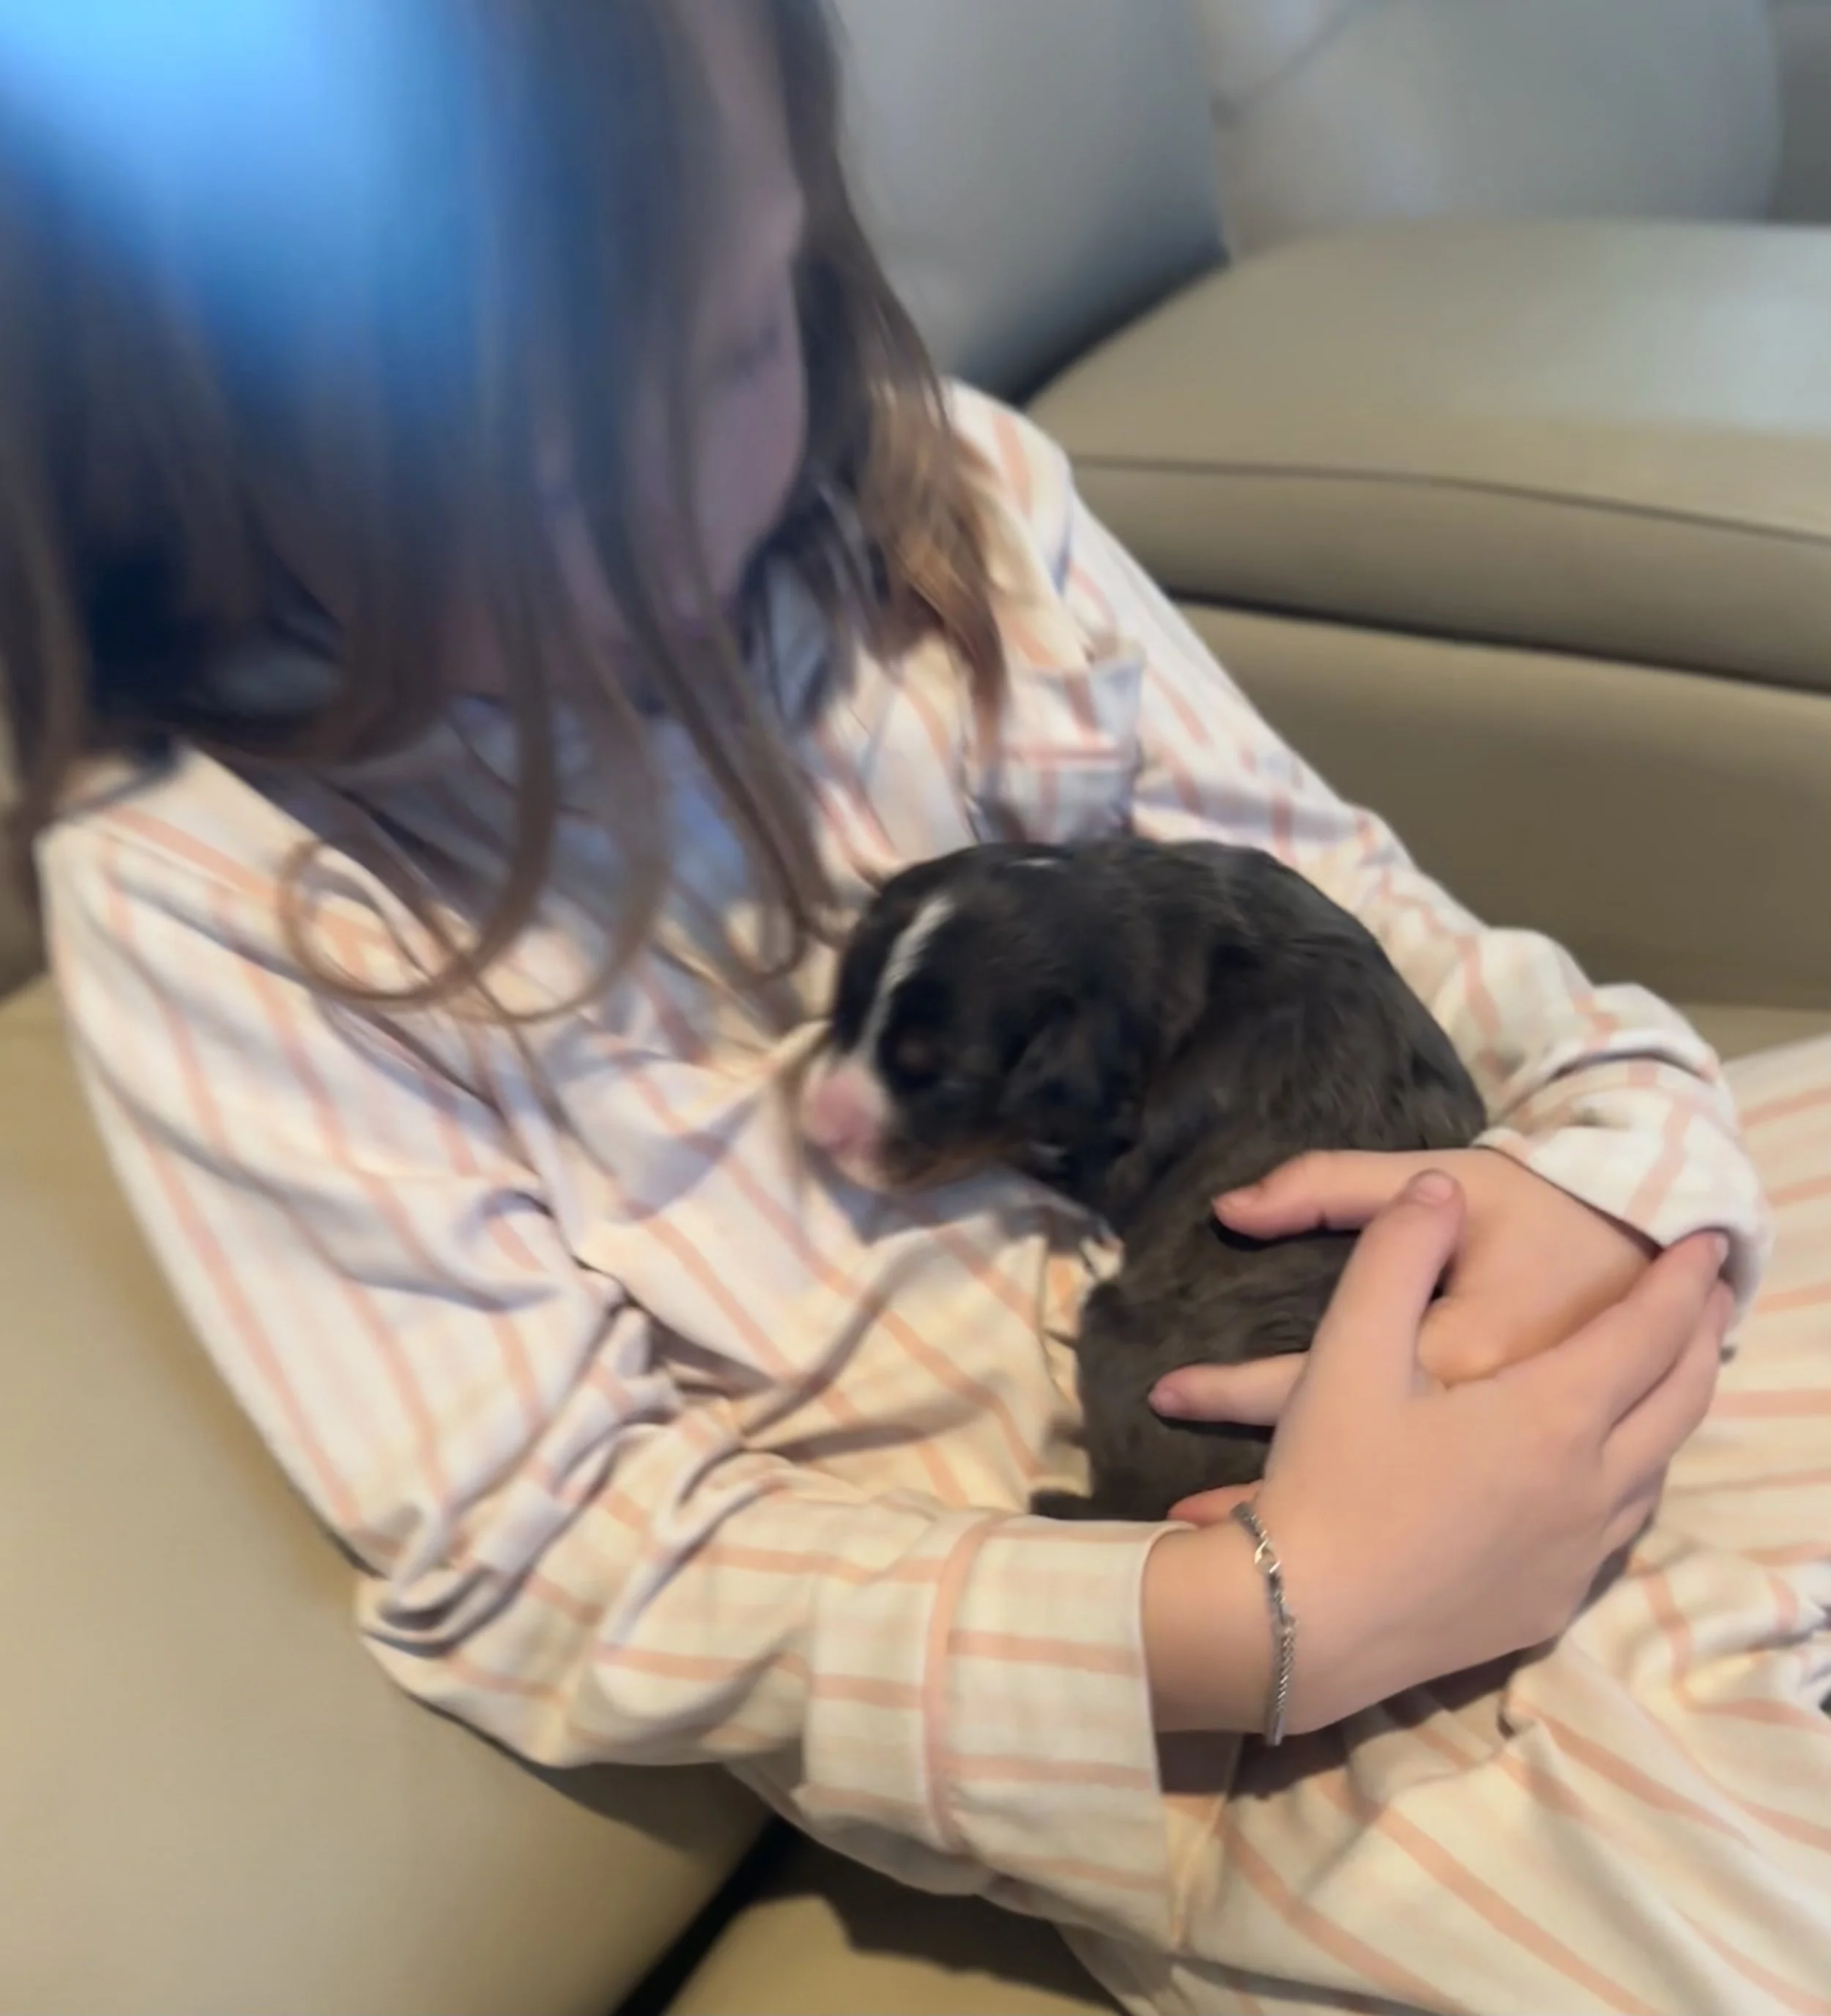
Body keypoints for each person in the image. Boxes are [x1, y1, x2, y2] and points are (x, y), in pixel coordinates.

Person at [3, 3, 1827, 2009]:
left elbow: (1416, 951)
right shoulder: (211, 892)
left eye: (732, 341)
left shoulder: (945, 499)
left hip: (1537, 1300)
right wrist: (1270, 1617)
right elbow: (548, 1566)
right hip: (1221, 1677)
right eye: (502, 475)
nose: (678, 511)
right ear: (155, 484)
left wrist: (1612, 1193)